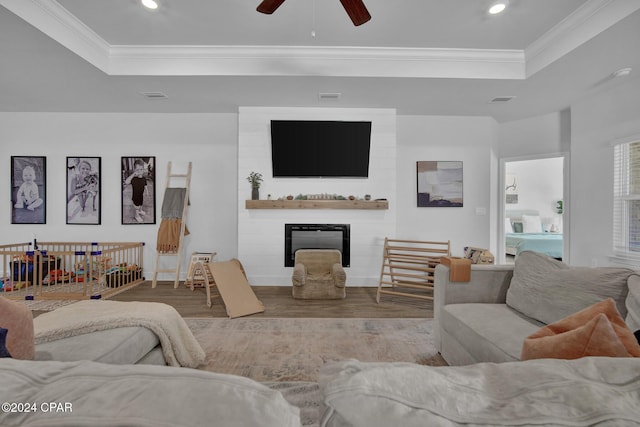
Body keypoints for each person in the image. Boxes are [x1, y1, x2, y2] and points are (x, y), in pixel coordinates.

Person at [124, 159, 149, 223]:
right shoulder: (134, 179)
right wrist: (133, 174)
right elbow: (126, 182)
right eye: (137, 170)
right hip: (135, 197)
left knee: (141, 203)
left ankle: (140, 211)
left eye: (141, 169)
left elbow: (145, 185)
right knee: (136, 206)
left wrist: (147, 191)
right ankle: (136, 215)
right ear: (135, 170)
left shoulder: (143, 178)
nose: (140, 171)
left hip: (141, 195)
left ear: (143, 169)